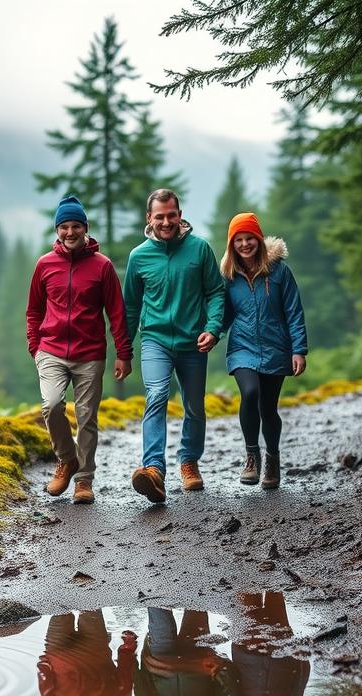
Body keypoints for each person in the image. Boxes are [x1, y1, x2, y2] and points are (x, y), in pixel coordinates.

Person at [26, 194, 133, 504]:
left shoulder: (102, 267)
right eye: (63, 227)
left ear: (85, 229)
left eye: (75, 226)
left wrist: (124, 353)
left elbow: (116, 313)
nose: (70, 233)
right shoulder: (45, 265)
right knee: (52, 405)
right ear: (57, 230)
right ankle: (66, 459)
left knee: (87, 417)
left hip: (90, 354)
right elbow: (34, 310)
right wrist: (35, 346)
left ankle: (84, 479)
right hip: (51, 351)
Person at [123, 189, 225, 504]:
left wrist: (213, 329)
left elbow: (217, 293)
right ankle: (153, 470)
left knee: (193, 404)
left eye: (171, 215)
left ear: (179, 215)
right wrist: (125, 353)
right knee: (156, 394)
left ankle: (189, 461)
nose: (166, 222)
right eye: (159, 217)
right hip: (154, 340)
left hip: (193, 341)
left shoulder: (199, 249)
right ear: (149, 219)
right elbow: (130, 307)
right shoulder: (138, 256)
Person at [220, 212, 308, 489]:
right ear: (232, 244)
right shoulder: (229, 276)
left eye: (249, 238)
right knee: (250, 392)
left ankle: (272, 458)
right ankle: (251, 455)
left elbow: (294, 311)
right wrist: (211, 332)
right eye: (239, 240)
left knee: (268, 408)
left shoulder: (280, 271)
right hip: (242, 346)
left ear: (258, 239)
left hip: (275, 347)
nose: (245, 244)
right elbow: (223, 314)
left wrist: (299, 349)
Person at [228, 592, 310, 696]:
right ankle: (273, 568)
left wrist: (238, 646)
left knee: (248, 604)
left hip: (247, 648)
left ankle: (248, 570)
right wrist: (302, 657)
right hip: (282, 650)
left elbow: (232, 680)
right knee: (276, 598)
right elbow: (299, 684)